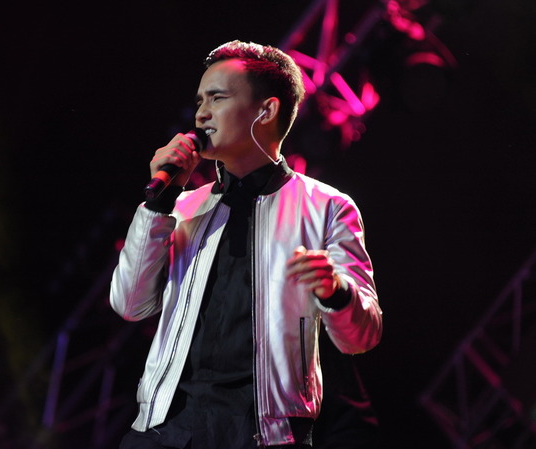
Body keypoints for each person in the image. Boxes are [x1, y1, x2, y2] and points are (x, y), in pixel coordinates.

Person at [109, 40, 382, 448]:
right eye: (200, 101)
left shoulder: (327, 206)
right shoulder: (182, 207)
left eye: (217, 98)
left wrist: (336, 291)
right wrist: (158, 205)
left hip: (263, 435)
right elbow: (130, 304)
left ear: (265, 111)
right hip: (165, 429)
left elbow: (362, 336)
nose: (201, 114)